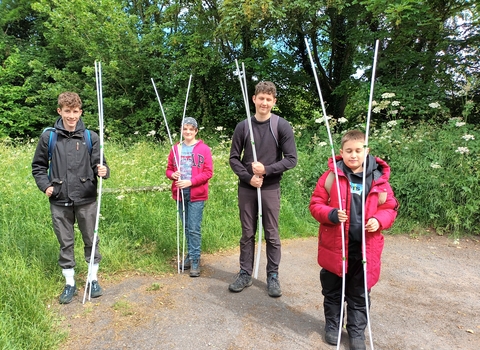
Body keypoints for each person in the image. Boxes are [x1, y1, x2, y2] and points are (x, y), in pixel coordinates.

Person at [309, 130, 399, 350]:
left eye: (358, 151)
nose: (353, 155)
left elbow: (389, 208)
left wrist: (379, 220)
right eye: (349, 151)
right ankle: (333, 325)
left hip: (365, 249)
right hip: (335, 247)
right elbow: (316, 204)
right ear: (341, 152)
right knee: (333, 290)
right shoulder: (331, 176)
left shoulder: (378, 179)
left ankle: (357, 331)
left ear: (366, 151)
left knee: (359, 293)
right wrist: (330, 214)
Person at [32, 92, 110, 304]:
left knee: (91, 240)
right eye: (67, 111)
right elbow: (38, 166)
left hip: (86, 198)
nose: (72, 116)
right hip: (59, 198)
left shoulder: (90, 137)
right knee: (65, 242)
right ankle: (70, 283)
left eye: (75, 112)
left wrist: (103, 170)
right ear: (60, 111)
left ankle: (92, 280)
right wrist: (46, 186)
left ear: (80, 112)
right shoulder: (49, 137)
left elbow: (100, 164)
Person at [228, 81, 297, 297]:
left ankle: (273, 276)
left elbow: (291, 159)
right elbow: (233, 159)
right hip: (248, 188)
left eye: (269, 99)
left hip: (270, 188)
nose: (264, 103)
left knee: (272, 234)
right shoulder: (243, 127)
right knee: (247, 232)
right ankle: (245, 273)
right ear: (254, 99)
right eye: (261, 98)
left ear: (274, 102)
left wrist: (266, 170)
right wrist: (249, 178)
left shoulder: (281, 126)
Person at [166, 117, 213, 277]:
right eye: (185, 129)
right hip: (180, 193)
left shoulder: (204, 149)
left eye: (191, 129)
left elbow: (208, 172)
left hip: (196, 193)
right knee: (186, 227)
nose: (188, 132)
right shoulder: (175, 149)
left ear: (196, 131)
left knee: (194, 228)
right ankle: (189, 255)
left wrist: (190, 182)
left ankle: (195, 260)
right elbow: (168, 170)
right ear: (181, 130)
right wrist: (173, 174)